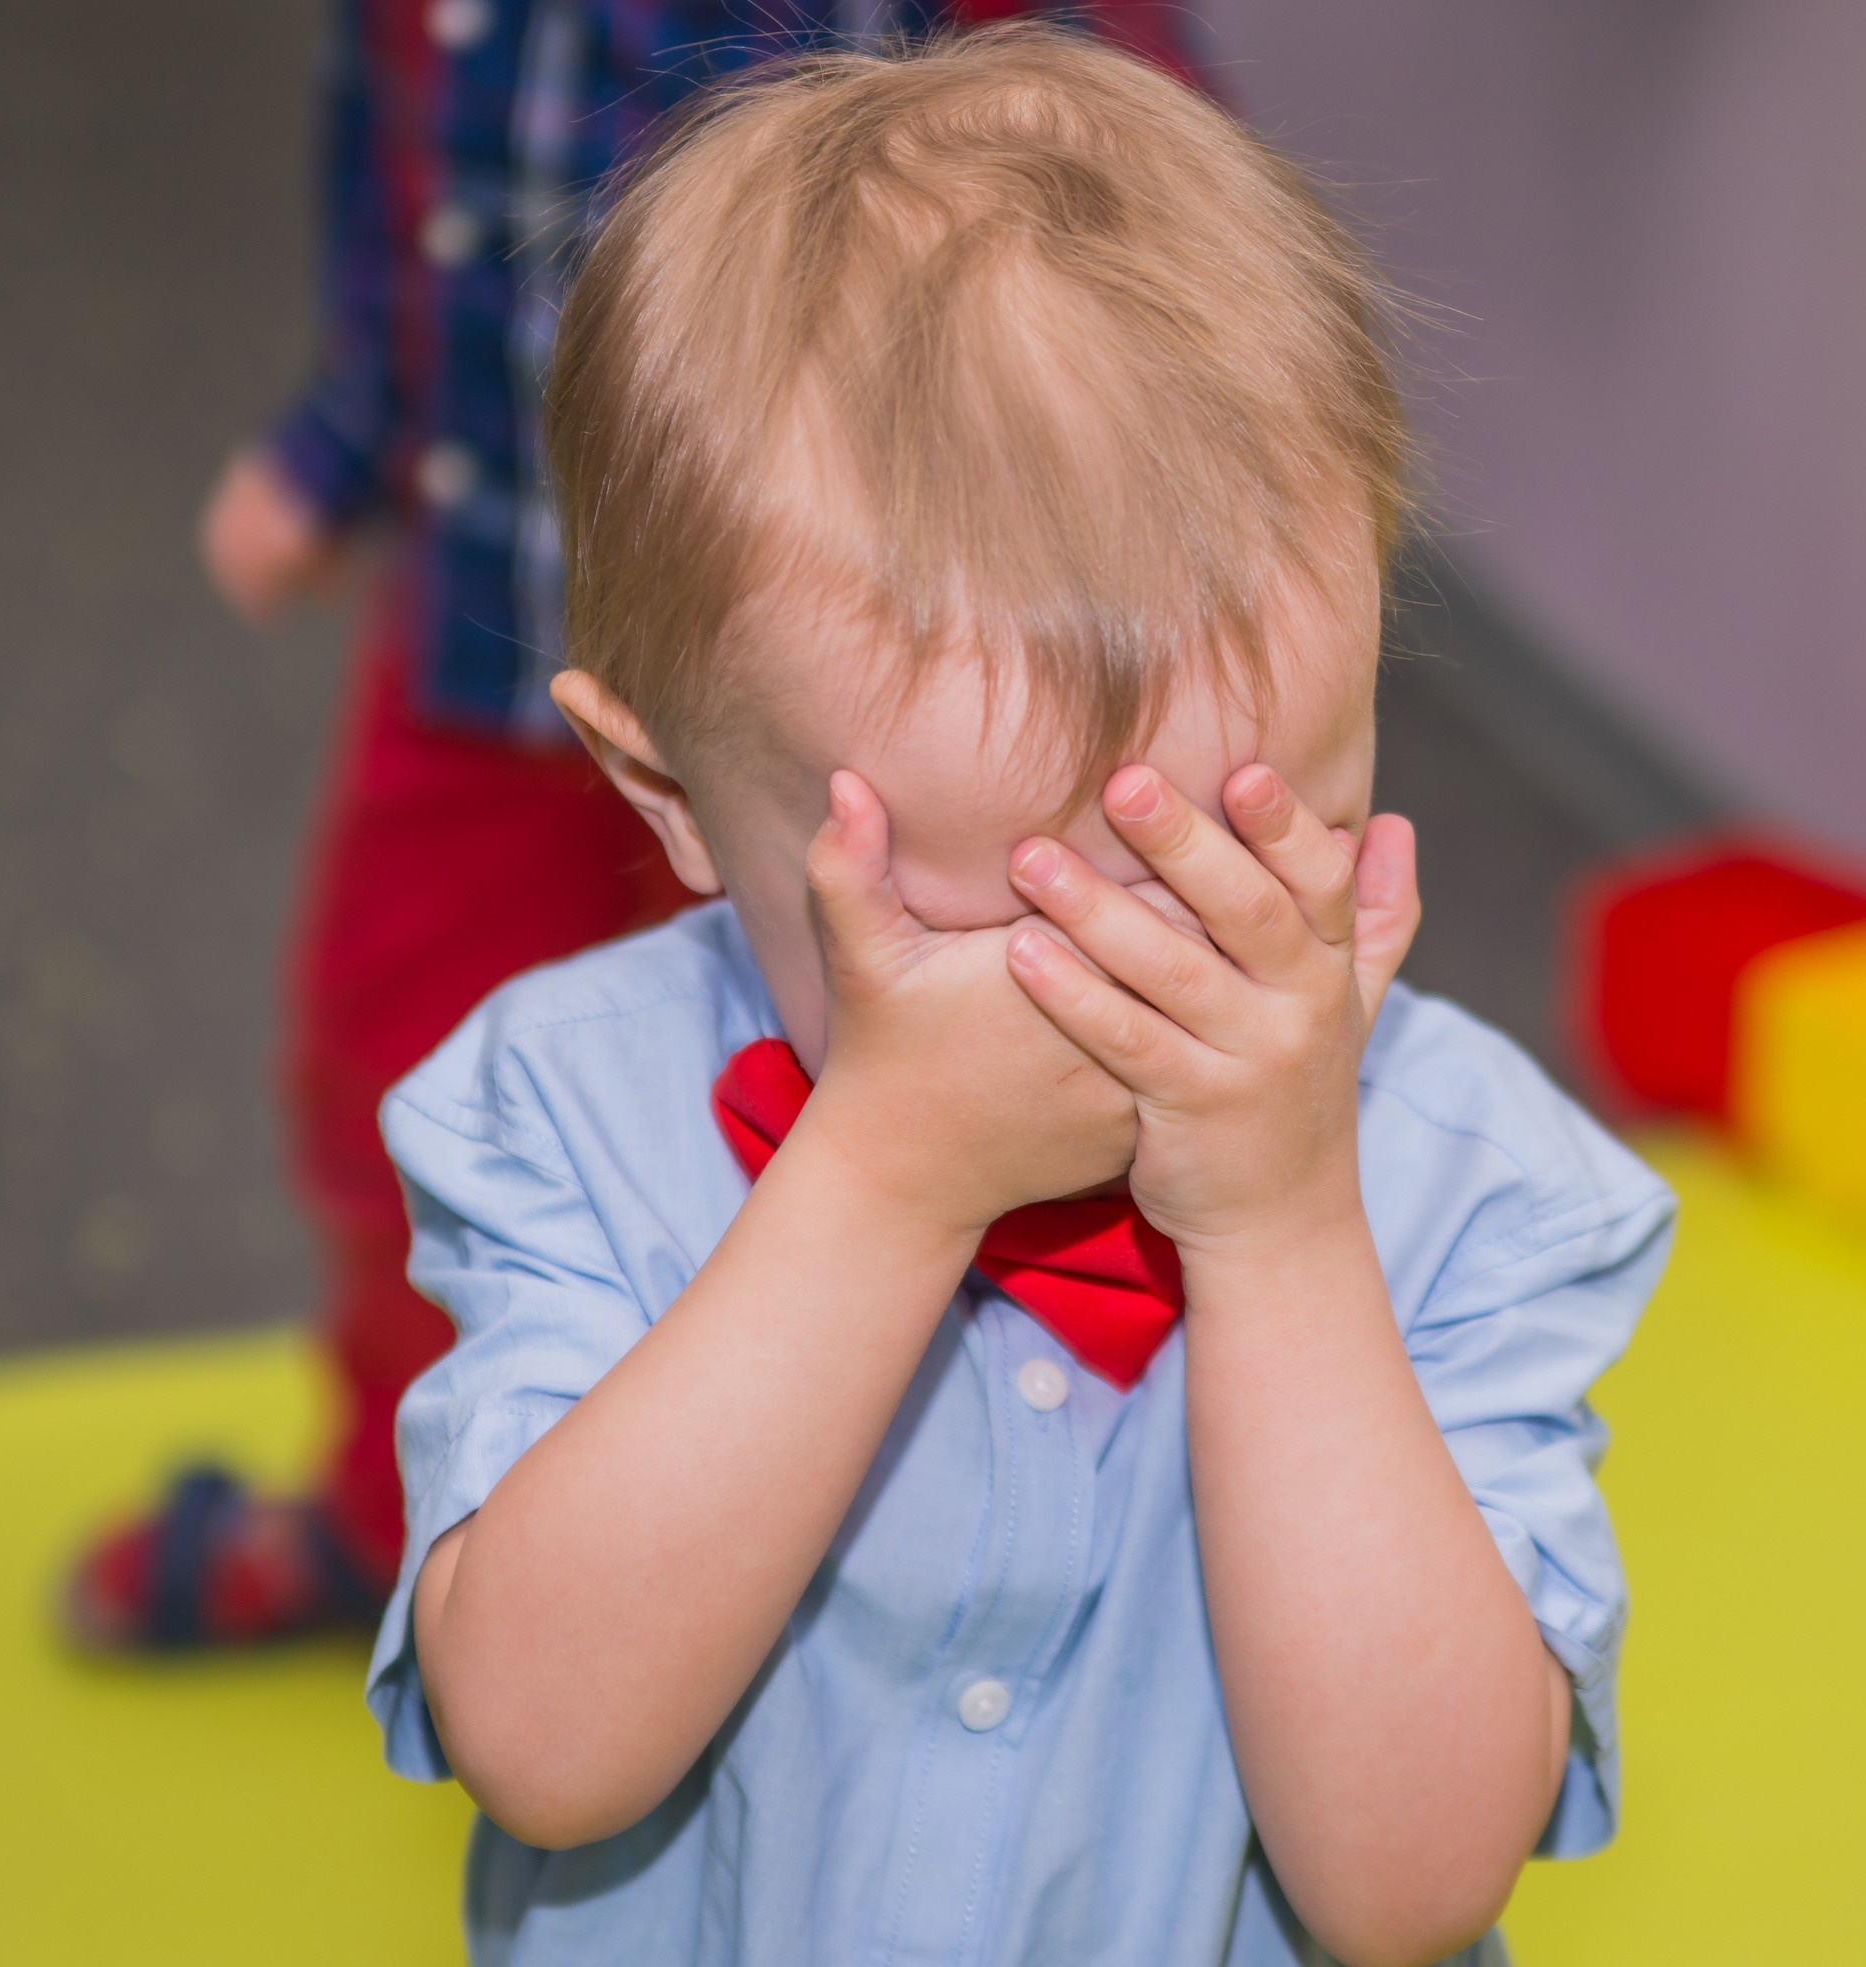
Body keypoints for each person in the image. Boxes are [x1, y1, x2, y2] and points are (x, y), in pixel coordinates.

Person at [372, 26, 1673, 1964]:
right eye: (1001, 909)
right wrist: (880, 1184)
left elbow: (1405, 1893)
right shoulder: (568, 1112)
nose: (1141, 981)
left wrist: (1285, 1228)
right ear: (672, 801)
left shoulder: (1461, 1179)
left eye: (1254, 849)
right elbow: (548, 1749)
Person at [67, 0, 1205, 1648]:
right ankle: (423, 1513)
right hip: (498, 634)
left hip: (840, 677)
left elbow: (1153, 189)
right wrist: (346, 445)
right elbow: (412, 193)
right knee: (393, 1078)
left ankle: (934, 1552)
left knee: (908, 1094)